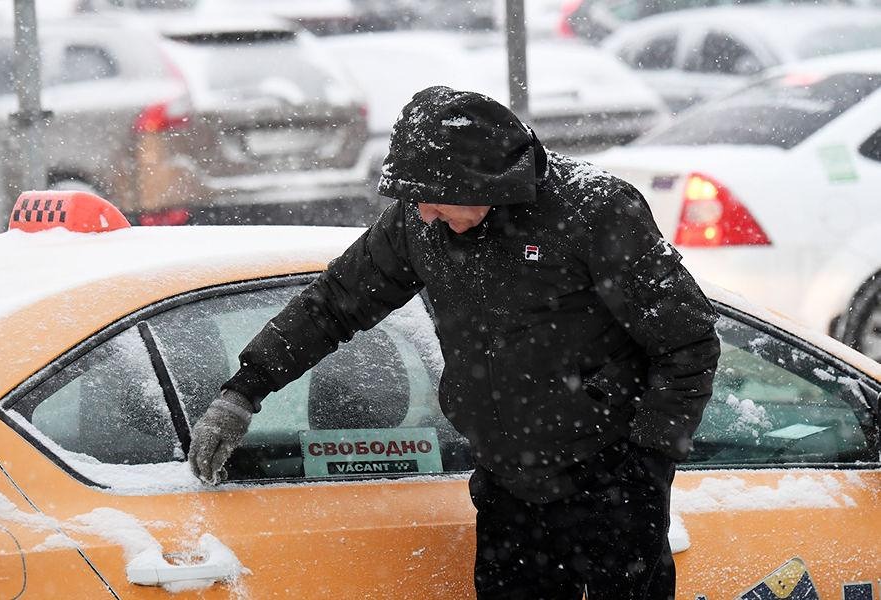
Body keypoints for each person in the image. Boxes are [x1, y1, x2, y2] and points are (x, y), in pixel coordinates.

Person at [188, 85, 720, 599]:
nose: (421, 213)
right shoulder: (421, 224)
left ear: (486, 181)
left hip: (610, 480)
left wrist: (647, 462)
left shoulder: (594, 212)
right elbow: (334, 304)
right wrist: (246, 389)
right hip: (508, 486)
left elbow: (688, 342)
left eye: (432, 199)